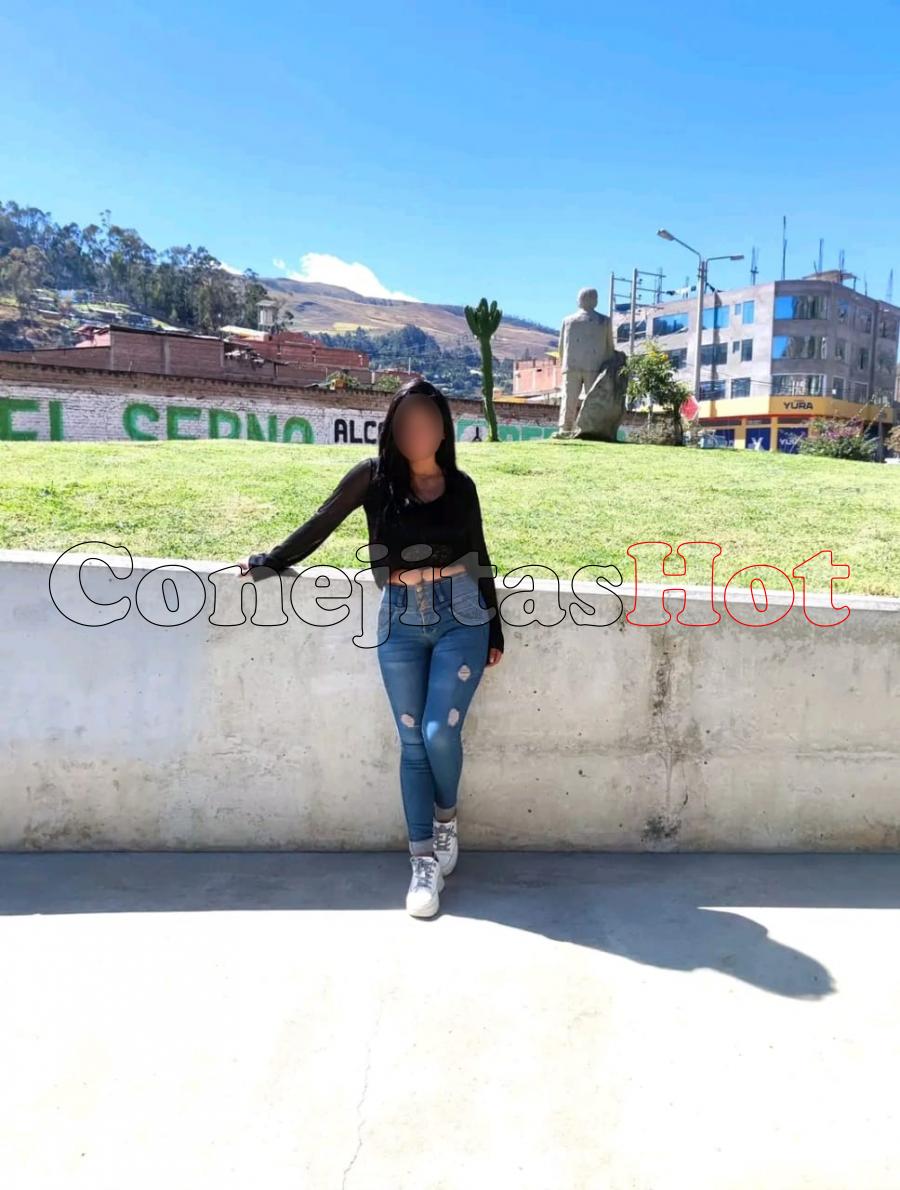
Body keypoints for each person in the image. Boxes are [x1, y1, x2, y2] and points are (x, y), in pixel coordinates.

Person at [239, 378, 504, 919]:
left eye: (427, 422)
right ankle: (422, 861)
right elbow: (323, 519)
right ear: (392, 428)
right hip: (399, 620)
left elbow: (479, 553)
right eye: (407, 423)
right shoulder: (374, 478)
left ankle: (446, 819)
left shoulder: (461, 486)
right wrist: (272, 561)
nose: (417, 432)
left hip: (462, 615)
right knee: (411, 742)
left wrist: (495, 627)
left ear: (443, 430)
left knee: (438, 731)